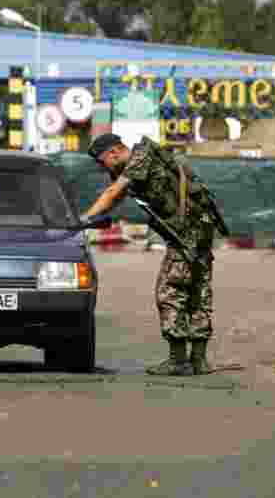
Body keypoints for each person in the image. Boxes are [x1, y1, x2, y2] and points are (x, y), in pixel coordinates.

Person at [83, 133, 221, 376]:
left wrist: (83, 219)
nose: (101, 166)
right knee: (198, 292)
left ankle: (178, 361)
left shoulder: (140, 157)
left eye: (102, 160)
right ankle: (199, 360)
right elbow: (118, 196)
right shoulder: (143, 162)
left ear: (114, 152)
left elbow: (113, 193)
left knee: (169, 291)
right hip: (200, 230)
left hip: (186, 236)